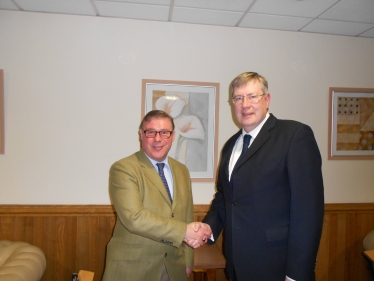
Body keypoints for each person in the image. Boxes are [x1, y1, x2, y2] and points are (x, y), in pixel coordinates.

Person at [203, 72, 324, 281]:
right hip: (236, 264)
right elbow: (225, 198)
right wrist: (208, 228)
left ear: (267, 100)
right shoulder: (231, 145)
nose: (245, 104)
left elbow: (308, 210)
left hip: (277, 265)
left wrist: (297, 273)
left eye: (252, 96)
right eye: (238, 98)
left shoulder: (294, 135)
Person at [102, 110, 212, 281]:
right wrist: (184, 232)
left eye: (164, 133)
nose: (158, 139)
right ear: (141, 134)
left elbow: (187, 215)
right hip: (133, 269)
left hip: (174, 267)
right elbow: (135, 218)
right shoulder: (124, 168)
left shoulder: (182, 171)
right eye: (151, 132)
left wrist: (189, 260)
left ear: (173, 136)